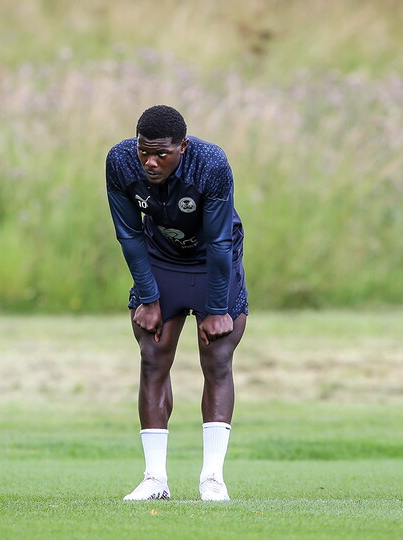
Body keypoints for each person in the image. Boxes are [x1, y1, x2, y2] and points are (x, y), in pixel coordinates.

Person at [106, 105, 248, 502]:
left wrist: (217, 309)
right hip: (160, 257)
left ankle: (212, 480)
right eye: (144, 151)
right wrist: (148, 297)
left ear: (182, 147)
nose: (150, 162)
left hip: (212, 258)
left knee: (217, 357)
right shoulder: (120, 161)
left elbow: (219, 241)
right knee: (153, 356)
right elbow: (129, 234)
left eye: (161, 154)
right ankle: (155, 479)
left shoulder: (210, 163)